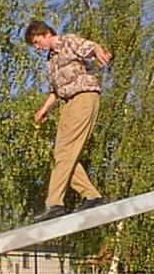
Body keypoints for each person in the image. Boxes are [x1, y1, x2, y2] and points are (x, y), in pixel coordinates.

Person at [24, 20, 112, 221]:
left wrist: (100, 52)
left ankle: (54, 203)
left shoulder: (67, 41)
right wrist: (44, 109)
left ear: (46, 34)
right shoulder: (51, 59)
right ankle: (91, 196)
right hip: (68, 102)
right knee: (60, 154)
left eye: (37, 42)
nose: (37, 47)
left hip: (83, 97)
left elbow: (90, 47)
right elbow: (55, 90)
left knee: (66, 153)